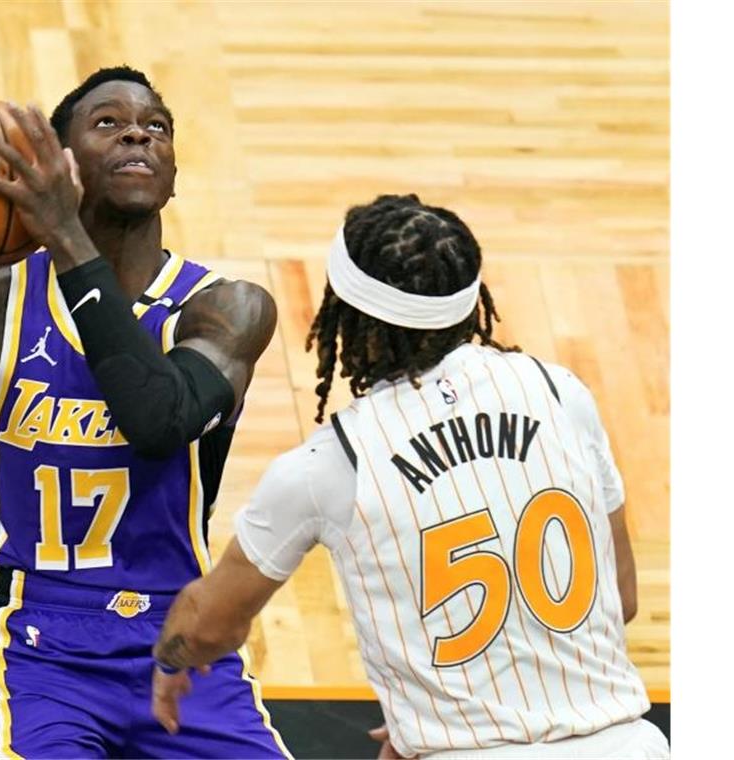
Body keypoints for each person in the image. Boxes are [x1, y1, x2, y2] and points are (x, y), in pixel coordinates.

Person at [0, 66, 290, 758]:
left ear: (172, 175)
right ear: (59, 161)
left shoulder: (225, 308)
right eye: (108, 122)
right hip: (41, 644)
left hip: (180, 636)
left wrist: (64, 234)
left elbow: (157, 421)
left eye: (156, 127)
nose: (139, 131)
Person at [150, 194, 670, 759]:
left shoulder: (331, 464)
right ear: (472, 306)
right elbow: (619, 595)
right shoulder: (559, 391)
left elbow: (209, 626)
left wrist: (171, 659)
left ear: (342, 314)